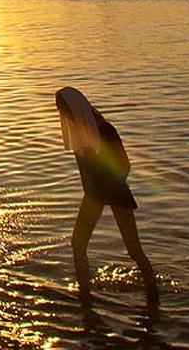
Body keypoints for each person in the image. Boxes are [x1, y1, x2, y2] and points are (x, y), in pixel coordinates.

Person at [55, 86, 159, 304]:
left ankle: (153, 291)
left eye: (64, 110)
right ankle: (85, 293)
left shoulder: (105, 131)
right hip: (94, 194)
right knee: (78, 243)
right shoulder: (78, 134)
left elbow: (124, 166)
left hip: (115, 193)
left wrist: (109, 185)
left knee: (133, 250)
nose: (62, 115)